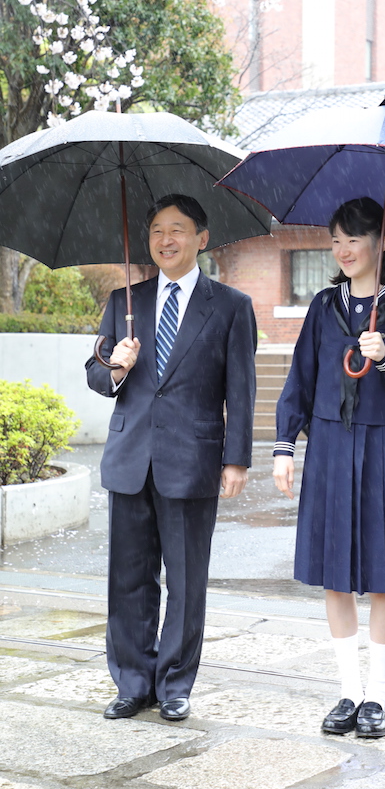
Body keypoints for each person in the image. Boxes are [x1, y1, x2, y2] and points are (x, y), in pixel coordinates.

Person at [272, 197, 385, 738]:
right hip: (329, 445)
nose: (343, 249)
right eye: (337, 239)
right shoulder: (324, 306)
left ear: (381, 243)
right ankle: (347, 692)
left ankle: (377, 698)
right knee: (335, 575)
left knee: (384, 576)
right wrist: (283, 445)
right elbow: (300, 376)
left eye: (355, 239)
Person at [86, 194, 257, 722]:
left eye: (178, 229)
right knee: (129, 578)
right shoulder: (125, 301)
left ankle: (176, 683)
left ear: (201, 239)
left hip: (194, 459)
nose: (166, 239)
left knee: (186, 579)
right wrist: (116, 367)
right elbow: (94, 373)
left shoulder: (230, 305)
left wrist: (237, 459)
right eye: (158, 229)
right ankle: (133, 681)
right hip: (131, 458)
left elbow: (242, 389)